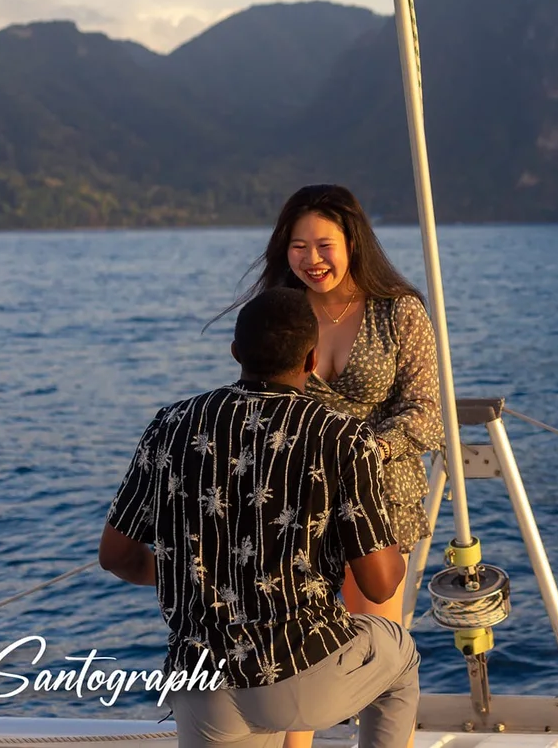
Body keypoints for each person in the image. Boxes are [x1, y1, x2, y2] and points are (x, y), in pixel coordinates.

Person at [99, 287, 420, 748]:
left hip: (201, 680)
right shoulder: (341, 436)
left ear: (235, 353)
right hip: (300, 673)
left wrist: (188, 572)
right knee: (399, 652)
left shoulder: (169, 425)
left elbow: (115, 556)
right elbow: (380, 584)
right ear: (311, 360)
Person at [225, 185, 443, 748]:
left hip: (380, 497)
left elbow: (426, 414)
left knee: (377, 651)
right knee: (299, 650)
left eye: (324, 244)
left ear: (353, 241)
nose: (311, 258)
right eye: (298, 246)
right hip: (297, 501)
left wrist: (356, 451)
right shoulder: (279, 313)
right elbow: (255, 404)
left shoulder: (399, 312)